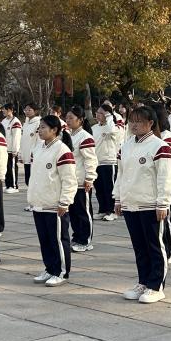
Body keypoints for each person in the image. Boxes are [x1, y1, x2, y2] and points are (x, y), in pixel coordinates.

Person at [114, 105, 171, 305]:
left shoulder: (160, 146)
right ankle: (143, 281)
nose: (134, 125)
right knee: (139, 247)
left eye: (139, 121)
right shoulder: (126, 146)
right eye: (132, 121)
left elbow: (166, 178)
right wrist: (118, 198)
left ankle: (156, 286)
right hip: (132, 203)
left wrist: (163, 203)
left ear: (150, 123)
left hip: (151, 204)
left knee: (155, 247)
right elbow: (121, 175)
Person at [28, 115, 78, 286]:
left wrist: (65, 201)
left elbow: (69, 180)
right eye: (39, 127)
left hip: (55, 204)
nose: (39, 130)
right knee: (45, 240)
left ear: (54, 130)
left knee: (58, 239)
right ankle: (50, 268)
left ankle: (62, 271)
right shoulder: (38, 148)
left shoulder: (62, 150)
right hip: (39, 202)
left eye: (43, 127)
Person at [64, 107, 98, 251]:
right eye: (67, 118)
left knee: (83, 212)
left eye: (71, 118)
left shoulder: (85, 137)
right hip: (71, 181)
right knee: (73, 213)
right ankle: (77, 237)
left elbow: (90, 159)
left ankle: (85, 241)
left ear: (81, 120)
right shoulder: (68, 135)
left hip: (81, 181)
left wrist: (90, 178)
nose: (68, 120)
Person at [151, 103, 171, 260]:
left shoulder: (167, 136)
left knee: (165, 218)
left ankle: (169, 251)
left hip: (164, 181)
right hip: (148, 185)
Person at [92, 104, 124, 221]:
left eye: (101, 113)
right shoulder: (94, 128)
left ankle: (112, 211)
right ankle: (102, 210)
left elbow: (111, 130)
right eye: (97, 113)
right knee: (99, 189)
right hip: (97, 162)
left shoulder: (114, 128)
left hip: (109, 162)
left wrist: (109, 117)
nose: (98, 115)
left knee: (110, 188)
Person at [1, 104, 23, 192]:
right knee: (6, 168)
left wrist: (15, 149)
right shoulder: (4, 121)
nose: (3, 111)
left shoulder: (15, 122)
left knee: (12, 168)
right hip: (5, 149)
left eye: (4, 110)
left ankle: (14, 186)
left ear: (10, 110)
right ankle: (8, 185)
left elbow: (16, 137)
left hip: (11, 149)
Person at [21, 103, 41, 193]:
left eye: (30, 110)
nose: (27, 112)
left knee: (35, 181)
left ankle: (37, 204)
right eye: (26, 110)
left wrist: (36, 154)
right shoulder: (26, 123)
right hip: (26, 156)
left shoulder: (39, 123)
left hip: (34, 157)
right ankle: (31, 204)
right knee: (28, 180)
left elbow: (40, 141)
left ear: (35, 111)